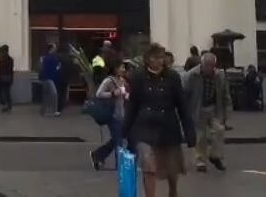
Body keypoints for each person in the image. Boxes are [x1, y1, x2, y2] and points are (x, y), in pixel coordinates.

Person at [124, 44, 196, 197]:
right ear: (147, 59)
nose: (158, 61)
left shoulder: (173, 77)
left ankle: (173, 191)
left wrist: (190, 133)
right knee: (148, 167)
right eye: (154, 58)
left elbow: (182, 106)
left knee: (172, 168)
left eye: (161, 58)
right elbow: (132, 105)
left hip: (168, 128)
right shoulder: (138, 77)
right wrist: (125, 130)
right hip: (145, 129)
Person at [183, 52, 229, 173]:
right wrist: (185, 113)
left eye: (212, 65)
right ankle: (200, 161)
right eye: (207, 65)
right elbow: (184, 95)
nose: (209, 68)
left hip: (214, 108)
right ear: (202, 64)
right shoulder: (191, 75)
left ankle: (215, 156)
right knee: (201, 136)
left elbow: (225, 95)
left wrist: (226, 113)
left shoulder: (220, 76)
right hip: (198, 108)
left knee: (219, 130)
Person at [89, 61, 129, 170]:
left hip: (122, 114)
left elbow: (124, 96)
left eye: (124, 68)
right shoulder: (108, 81)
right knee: (119, 141)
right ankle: (120, 165)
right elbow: (99, 94)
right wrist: (112, 93)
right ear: (115, 68)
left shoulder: (122, 81)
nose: (123, 70)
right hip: (112, 115)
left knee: (117, 139)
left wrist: (126, 95)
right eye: (121, 67)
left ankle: (98, 154)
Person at [37, 43, 62, 117]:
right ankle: (54, 111)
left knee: (45, 95)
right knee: (54, 94)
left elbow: (40, 68)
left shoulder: (43, 58)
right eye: (54, 48)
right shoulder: (53, 58)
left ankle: (42, 111)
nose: (56, 49)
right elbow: (56, 68)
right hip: (49, 79)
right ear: (51, 49)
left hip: (45, 78)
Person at [0, 44, 14, 112]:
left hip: (2, 77)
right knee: (7, 92)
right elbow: (11, 70)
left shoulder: (1, 59)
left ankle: (6, 106)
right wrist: (12, 78)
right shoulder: (10, 59)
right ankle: (9, 105)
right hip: (9, 77)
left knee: (4, 92)